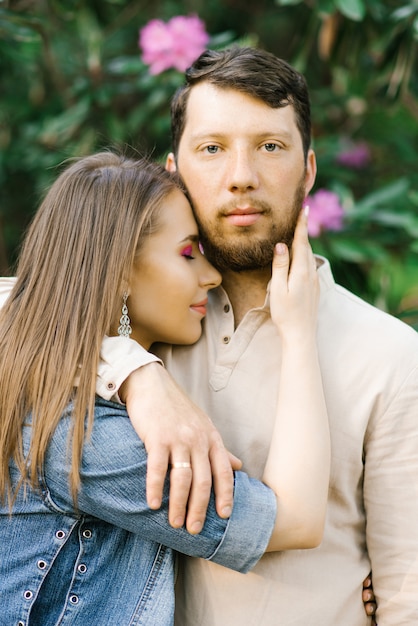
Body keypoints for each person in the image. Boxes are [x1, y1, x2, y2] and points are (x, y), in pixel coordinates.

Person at [97, 47, 418, 625]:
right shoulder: (142, 328)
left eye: (270, 147)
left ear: (309, 170)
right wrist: (135, 372)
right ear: (175, 173)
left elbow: (408, 594)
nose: (241, 177)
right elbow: (26, 315)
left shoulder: (390, 354)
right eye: (212, 149)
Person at [0, 151, 332, 624]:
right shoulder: (81, 435)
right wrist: (298, 333)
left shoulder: (46, 385)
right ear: (118, 272)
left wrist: (133, 367)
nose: (212, 276)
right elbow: (294, 521)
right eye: (187, 253)